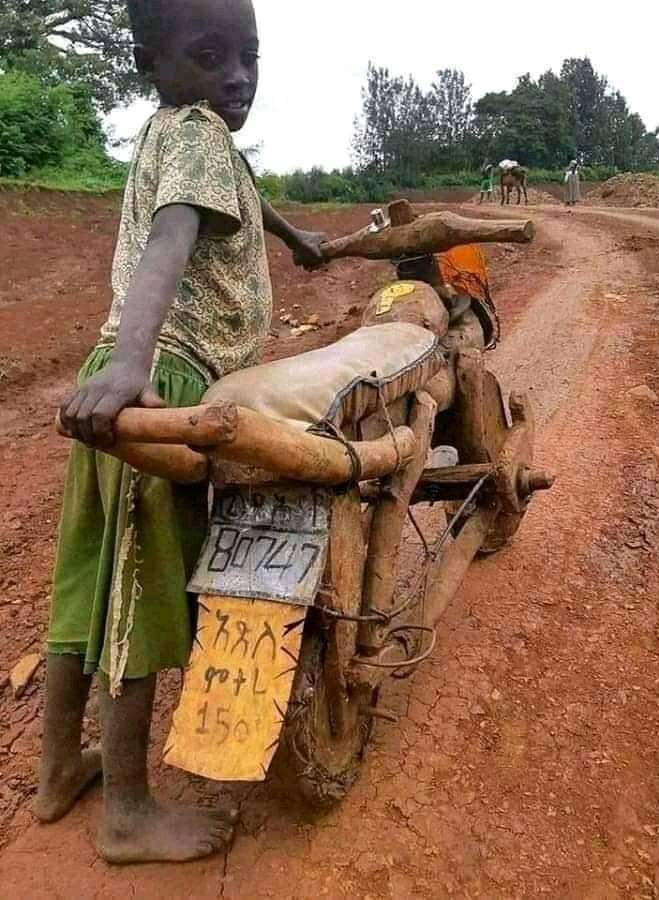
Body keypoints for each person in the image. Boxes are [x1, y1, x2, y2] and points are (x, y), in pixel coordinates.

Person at [33, 0, 326, 865]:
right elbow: (173, 233)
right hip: (161, 383)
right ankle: (126, 811)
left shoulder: (186, 131)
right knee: (141, 591)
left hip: (128, 371)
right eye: (209, 55)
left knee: (89, 582)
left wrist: (297, 237)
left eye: (249, 57)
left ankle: (59, 772)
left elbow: (238, 192)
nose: (236, 75)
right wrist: (133, 370)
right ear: (150, 64)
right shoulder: (198, 129)